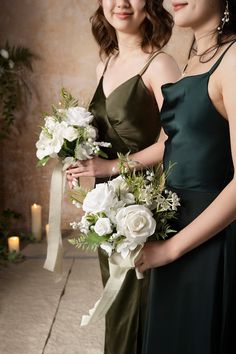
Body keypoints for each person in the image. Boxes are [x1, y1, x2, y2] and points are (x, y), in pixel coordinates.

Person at [66, 1, 180, 353]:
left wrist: (110, 167)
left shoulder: (160, 63)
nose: (122, 3)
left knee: (138, 301)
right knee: (117, 301)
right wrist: (79, 155)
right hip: (107, 203)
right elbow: (105, 137)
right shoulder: (107, 61)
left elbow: (175, 140)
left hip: (147, 204)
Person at [134, 1, 236, 353]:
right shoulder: (194, 59)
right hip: (177, 227)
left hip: (210, 240)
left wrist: (170, 250)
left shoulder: (234, 59)